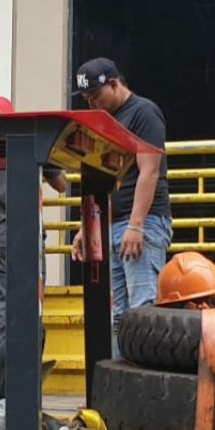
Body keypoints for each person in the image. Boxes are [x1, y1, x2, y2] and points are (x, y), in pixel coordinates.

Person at [70, 58, 172, 326]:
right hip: (114, 224)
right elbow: (105, 179)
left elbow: (150, 171)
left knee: (143, 310)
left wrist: (136, 226)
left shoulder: (143, 113)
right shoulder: (107, 121)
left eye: (95, 96)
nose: (91, 104)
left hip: (141, 223)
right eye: (86, 99)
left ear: (114, 84)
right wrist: (88, 226)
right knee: (118, 317)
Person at [0, 96, 68, 330]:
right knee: (31, 307)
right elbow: (62, 185)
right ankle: (29, 364)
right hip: (29, 235)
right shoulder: (33, 143)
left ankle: (2, 363)